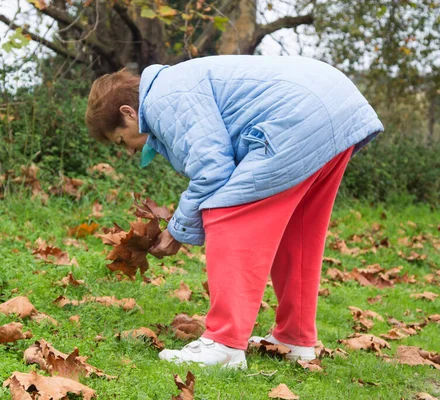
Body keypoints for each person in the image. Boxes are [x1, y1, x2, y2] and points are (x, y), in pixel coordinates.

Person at [85, 55, 383, 370]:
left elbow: (212, 171)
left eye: (121, 140)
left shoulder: (164, 98)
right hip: (334, 104)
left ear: (128, 113)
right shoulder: (175, 85)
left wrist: (177, 230)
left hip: (300, 114)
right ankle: (295, 339)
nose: (130, 150)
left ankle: (224, 344)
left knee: (226, 212)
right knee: (298, 232)